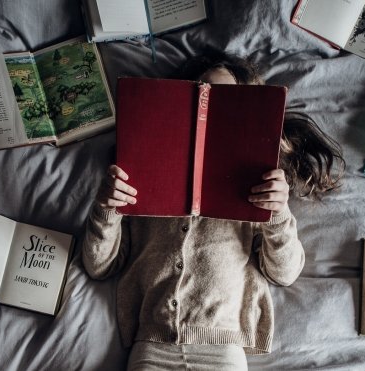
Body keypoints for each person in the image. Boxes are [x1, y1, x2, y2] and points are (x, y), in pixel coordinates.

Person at [82, 52, 345, 370]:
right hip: (153, 346)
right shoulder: (143, 176)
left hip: (222, 347)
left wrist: (277, 212)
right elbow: (99, 267)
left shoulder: (258, 184)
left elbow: (285, 273)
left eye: (227, 98)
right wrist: (106, 208)